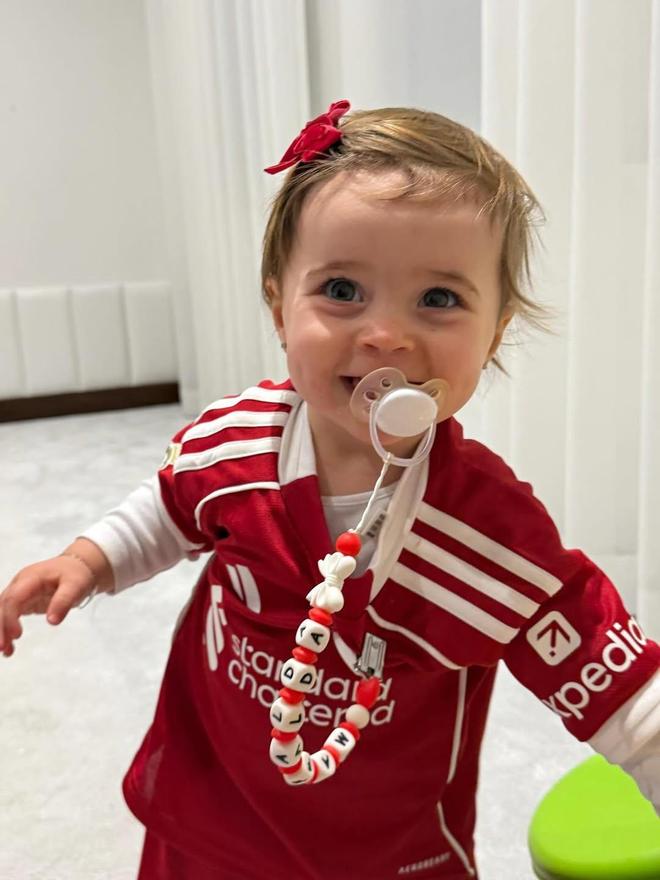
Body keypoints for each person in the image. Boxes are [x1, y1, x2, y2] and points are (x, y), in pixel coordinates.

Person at [1, 100, 659, 880]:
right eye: (342, 289)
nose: (385, 335)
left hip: (384, 850)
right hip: (211, 800)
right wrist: (89, 559)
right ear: (279, 307)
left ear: (495, 331)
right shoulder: (237, 439)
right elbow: (173, 506)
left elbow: (621, 691)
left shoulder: (490, 535)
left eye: (439, 299)